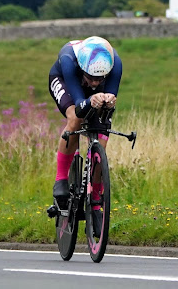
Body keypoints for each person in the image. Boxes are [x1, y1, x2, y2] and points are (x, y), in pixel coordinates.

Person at [48, 36, 122, 232]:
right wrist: (90, 101)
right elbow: (80, 105)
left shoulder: (116, 64)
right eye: (92, 78)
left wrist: (108, 99)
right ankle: (61, 179)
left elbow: (111, 98)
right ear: (83, 70)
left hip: (90, 87)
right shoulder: (68, 61)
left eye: (101, 79)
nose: (96, 83)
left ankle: (96, 200)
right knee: (75, 119)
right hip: (64, 81)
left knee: (102, 139)